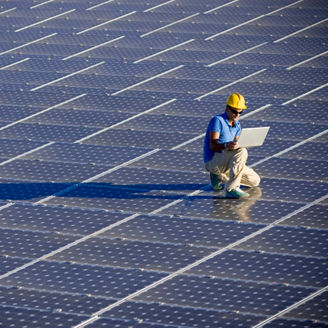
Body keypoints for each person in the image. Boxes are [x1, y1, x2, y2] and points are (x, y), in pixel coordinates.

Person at [203, 93, 261, 199]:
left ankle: (218, 177)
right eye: (235, 111)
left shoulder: (237, 124)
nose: (237, 115)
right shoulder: (217, 121)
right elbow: (213, 145)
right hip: (214, 161)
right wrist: (226, 146)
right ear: (227, 109)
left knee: (254, 181)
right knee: (242, 151)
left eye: (240, 112)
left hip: (228, 162)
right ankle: (231, 188)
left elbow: (236, 145)